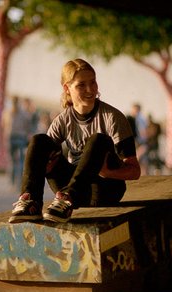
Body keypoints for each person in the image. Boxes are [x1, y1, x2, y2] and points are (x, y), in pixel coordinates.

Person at [8, 58, 141, 223]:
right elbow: (44, 154)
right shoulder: (63, 120)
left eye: (93, 83)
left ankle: (69, 197)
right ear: (67, 88)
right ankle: (30, 202)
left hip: (104, 191)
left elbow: (135, 171)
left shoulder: (113, 117)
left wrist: (108, 172)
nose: (90, 89)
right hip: (72, 191)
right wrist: (45, 165)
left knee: (98, 140)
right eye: (81, 85)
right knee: (39, 140)